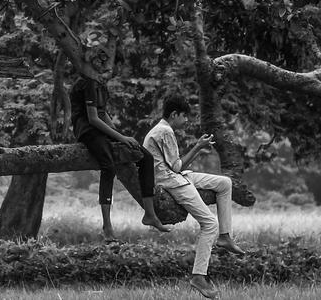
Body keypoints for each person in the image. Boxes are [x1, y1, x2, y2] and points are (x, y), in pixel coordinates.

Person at [143, 96, 246, 299]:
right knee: (209, 225)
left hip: (174, 176)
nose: (187, 121)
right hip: (171, 181)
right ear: (174, 115)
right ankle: (199, 275)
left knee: (225, 183)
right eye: (185, 116)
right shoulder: (165, 131)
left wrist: (198, 147)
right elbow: (177, 166)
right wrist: (198, 147)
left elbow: (176, 166)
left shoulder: (160, 130)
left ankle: (225, 237)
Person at [70, 58, 172, 241]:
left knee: (145, 157)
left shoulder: (101, 84)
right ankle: (107, 226)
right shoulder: (88, 83)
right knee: (108, 166)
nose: (110, 70)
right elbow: (93, 119)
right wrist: (120, 137)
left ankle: (150, 214)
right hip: (87, 131)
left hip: (101, 129)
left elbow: (104, 115)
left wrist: (122, 137)